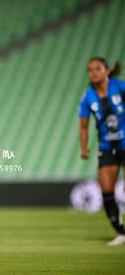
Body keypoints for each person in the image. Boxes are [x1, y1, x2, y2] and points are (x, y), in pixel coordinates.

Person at [79, 57, 125, 246]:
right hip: (106, 147)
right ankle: (121, 232)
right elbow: (83, 126)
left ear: (106, 70)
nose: (93, 72)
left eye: (97, 68)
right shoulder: (88, 97)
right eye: (90, 70)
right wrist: (84, 147)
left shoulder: (120, 87)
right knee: (107, 191)